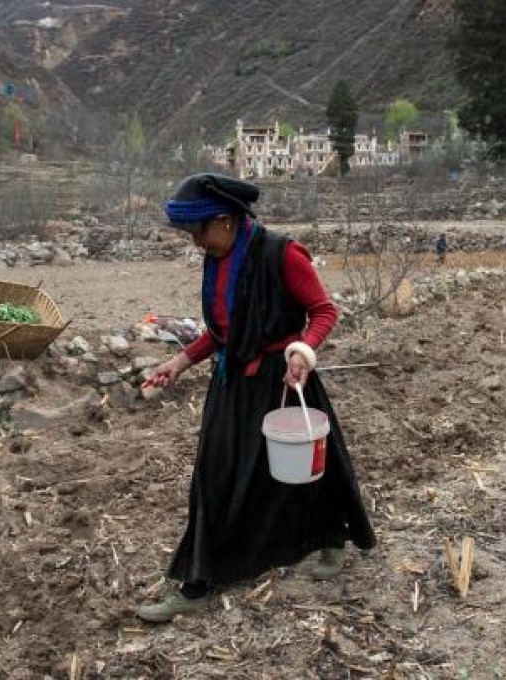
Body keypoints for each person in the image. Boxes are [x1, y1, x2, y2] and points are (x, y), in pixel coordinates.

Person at [136, 173, 376, 623]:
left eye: (199, 232)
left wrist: (303, 352)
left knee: (303, 468)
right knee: (215, 475)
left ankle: (329, 537)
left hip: (283, 377)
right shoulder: (219, 258)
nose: (195, 244)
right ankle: (198, 583)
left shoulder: (281, 254)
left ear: (225, 221)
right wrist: (180, 362)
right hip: (233, 382)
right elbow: (223, 331)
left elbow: (323, 311)